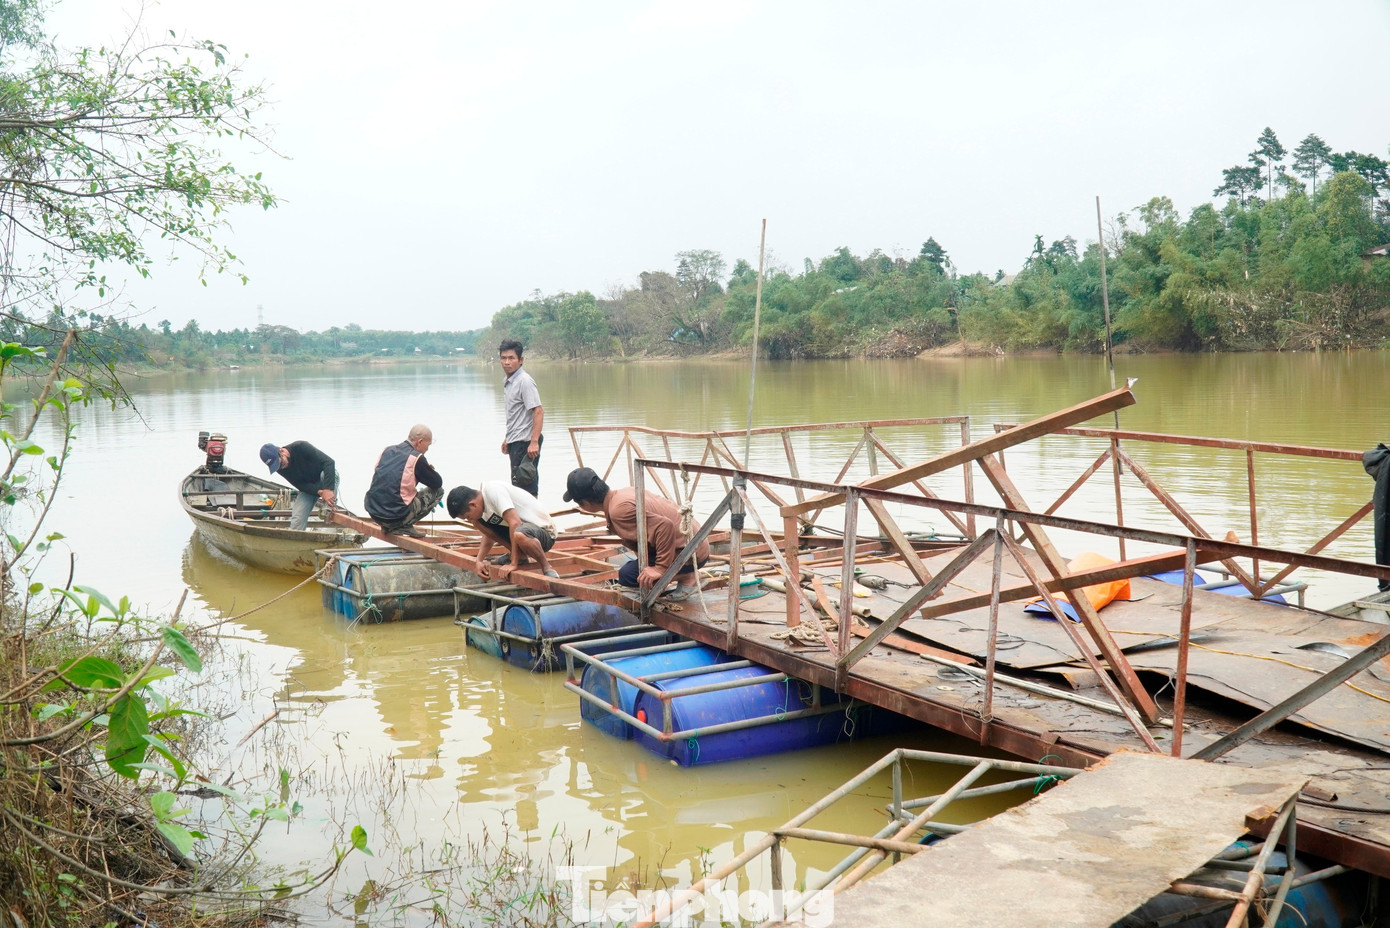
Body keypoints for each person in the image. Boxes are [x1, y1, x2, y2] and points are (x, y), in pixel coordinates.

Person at [562, 467, 708, 600]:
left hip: (691, 552)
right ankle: (675, 575)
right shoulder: (623, 493)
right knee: (636, 570)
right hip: (694, 543)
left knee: (628, 576)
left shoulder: (618, 510)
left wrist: (660, 569)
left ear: (586, 504)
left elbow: (665, 526)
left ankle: (688, 576)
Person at [446, 482, 559, 581]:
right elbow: (488, 535)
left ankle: (546, 567)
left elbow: (515, 523)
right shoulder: (483, 507)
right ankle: (520, 556)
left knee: (520, 534)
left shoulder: (492, 491)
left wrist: (513, 564)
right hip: (523, 531)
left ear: (473, 504)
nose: (468, 520)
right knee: (477, 522)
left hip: (544, 533)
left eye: (467, 516)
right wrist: (479, 561)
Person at [364, 425, 444, 538]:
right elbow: (437, 483)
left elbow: (386, 476)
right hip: (396, 515)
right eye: (428, 445)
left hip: (374, 511)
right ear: (420, 442)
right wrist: (427, 470)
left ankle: (388, 525)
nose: (427, 449)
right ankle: (405, 525)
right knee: (438, 491)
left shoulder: (387, 450)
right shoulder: (416, 458)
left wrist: (420, 471)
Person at [259, 440, 338, 531]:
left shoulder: (301, 447)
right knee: (297, 520)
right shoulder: (279, 468)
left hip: (326, 479)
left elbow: (329, 463)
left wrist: (327, 489)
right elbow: (300, 485)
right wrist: (319, 492)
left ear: (282, 451)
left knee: (326, 475)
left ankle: (329, 506)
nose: (281, 467)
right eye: (278, 466)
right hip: (309, 487)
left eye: (281, 463)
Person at [499, 338, 543, 497]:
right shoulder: (508, 381)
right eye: (503, 358)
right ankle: (526, 519)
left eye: (511, 358)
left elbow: (538, 411)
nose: (507, 362)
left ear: (521, 360)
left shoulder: (524, 381)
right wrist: (508, 439)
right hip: (515, 440)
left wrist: (534, 442)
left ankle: (533, 520)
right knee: (518, 486)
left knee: (526, 485)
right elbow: (516, 414)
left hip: (525, 443)